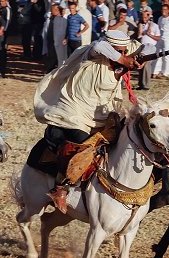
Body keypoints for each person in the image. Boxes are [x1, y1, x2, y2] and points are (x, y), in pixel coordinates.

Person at [33, 30, 142, 211]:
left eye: (124, 52)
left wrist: (137, 58)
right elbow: (99, 46)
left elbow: (142, 47)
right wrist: (124, 60)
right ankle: (59, 188)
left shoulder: (119, 55)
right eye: (119, 51)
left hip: (101, 115)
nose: (122, 55)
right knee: (82, 147)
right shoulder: (92, 53)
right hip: (74, 112)